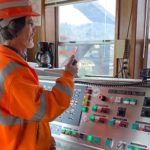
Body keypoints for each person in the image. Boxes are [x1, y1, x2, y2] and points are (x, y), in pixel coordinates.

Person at [0, 0, 78, 150]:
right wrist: (68, 76)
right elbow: (46, 109)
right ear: (13, 26)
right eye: (30, 23)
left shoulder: (5, 61)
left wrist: (44, 138)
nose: (34, 29)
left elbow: (25, 112)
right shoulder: (14, 72)